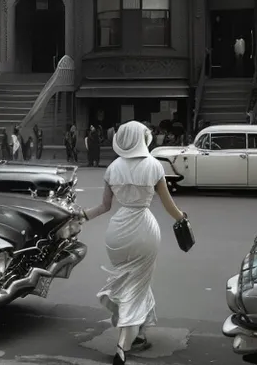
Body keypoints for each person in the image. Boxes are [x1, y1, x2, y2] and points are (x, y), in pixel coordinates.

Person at [78, 120, 186, 365]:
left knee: (132, 285)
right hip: (144, 230)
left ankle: (138, 334)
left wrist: (82, 216)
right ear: (142, 139)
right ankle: (123, 344)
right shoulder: (154, 166)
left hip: (117, 232)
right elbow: (171, 207)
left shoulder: (113, 168)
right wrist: (183, 219)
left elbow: (104, 207)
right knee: (138, 284)